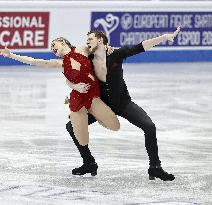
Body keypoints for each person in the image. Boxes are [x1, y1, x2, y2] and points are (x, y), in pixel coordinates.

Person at [66, 27, 180, 181]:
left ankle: (155, 167)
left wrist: (164, 37)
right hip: (103, 106)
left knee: (149, 127)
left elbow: (140, 46)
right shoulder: (88, 58)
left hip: (122, 103)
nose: (87, 42)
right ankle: (89, 163)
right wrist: (74, 93)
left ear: (100, 40)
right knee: (71, 126)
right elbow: (75, 72)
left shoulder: (116, 54)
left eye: (90, 39)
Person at [0, 37, 120, 176]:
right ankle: (89, 162)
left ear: (63, 42)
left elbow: (99, 49)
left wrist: (108, 48)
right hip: (79, 99)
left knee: (113, 125)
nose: (52, 48)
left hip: (96, 95)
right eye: (51, 48)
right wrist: (11, 55)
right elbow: (34, 61)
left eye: (54, 44)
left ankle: (89, 160)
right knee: (72, 127)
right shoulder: (60, 63)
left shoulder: (82, 50)